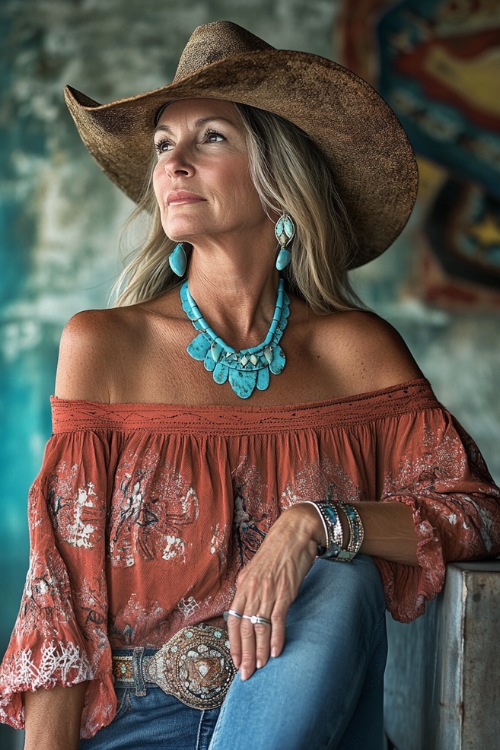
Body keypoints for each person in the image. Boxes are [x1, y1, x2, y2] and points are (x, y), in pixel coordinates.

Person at [0, 20, 499, 750]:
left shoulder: (355, 351)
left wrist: (316, 524)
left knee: (344, 574)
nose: (172, 162)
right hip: (139, 726)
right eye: (164, 143)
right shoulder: (105, 344)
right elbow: (59, 599)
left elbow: (480, 514)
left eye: (211, 138)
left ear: (277, 176)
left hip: (308, 716)